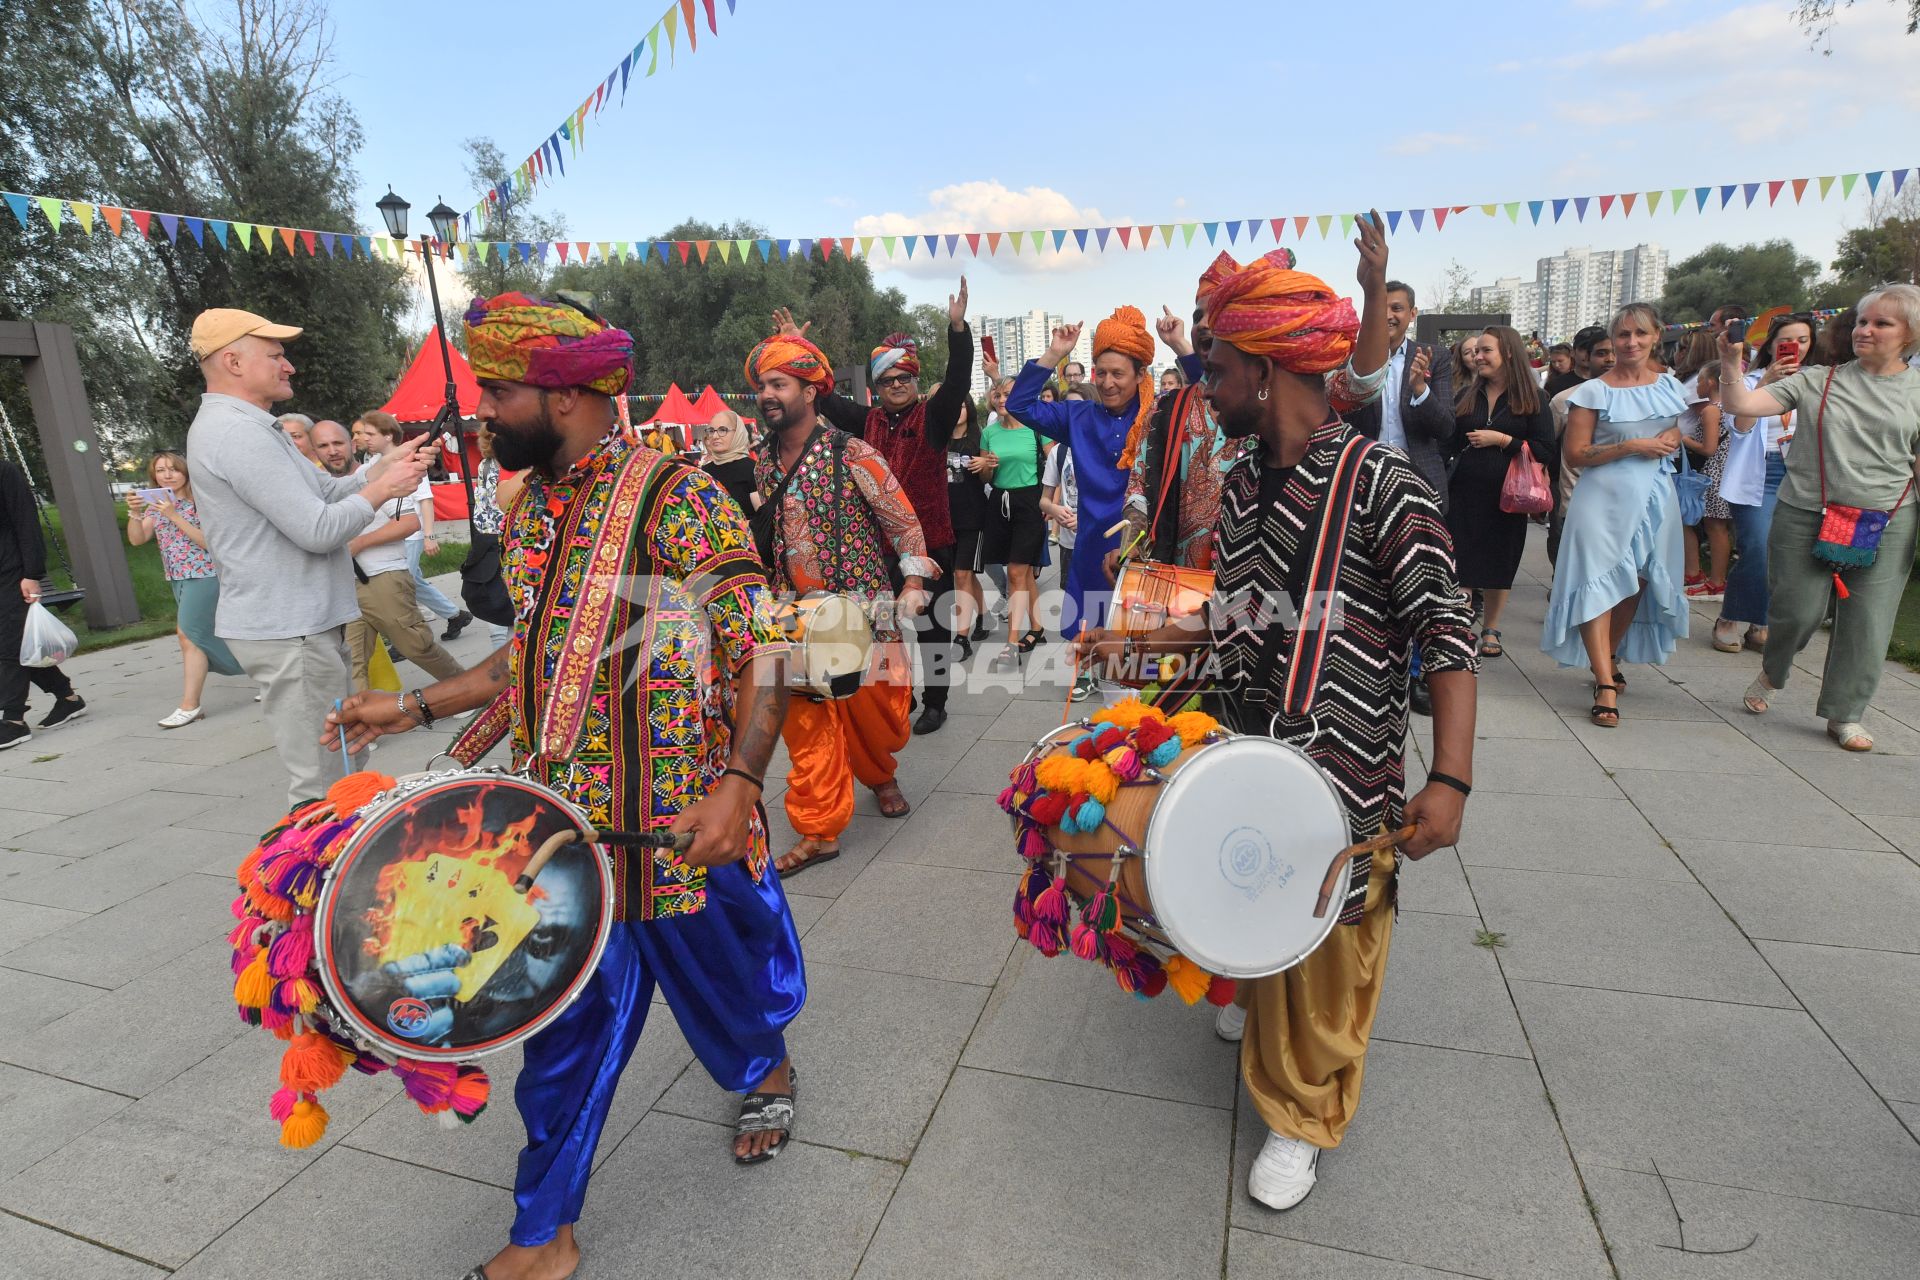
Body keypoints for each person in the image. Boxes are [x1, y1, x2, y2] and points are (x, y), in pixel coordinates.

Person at [327, 291, 800, 1280]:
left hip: (682, 828)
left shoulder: (679, 493)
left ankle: (766, 1066)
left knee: (731, 979)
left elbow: (770, 645)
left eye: (499, 392)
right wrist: (410, 713)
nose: (483, 413)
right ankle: (546, 1234)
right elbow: (531, 660)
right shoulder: (536, 507)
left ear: (574, 394)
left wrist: (742, 784)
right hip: (564, 839)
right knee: (566, 1039)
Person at [1075, 249, 1477, 1213]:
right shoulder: (1249, 480)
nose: (1203, 389)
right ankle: (1261, 998)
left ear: (1266, 368)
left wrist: (1452, 782)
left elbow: (1449, 636)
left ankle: (1303, 1117)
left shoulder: (1384, 485)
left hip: (1348, 777)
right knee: (1248, 889)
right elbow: (1237, 614)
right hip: (1255, 752)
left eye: (1214, 369)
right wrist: (1133, 641)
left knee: (1333, 939)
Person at [185, 307, 432, 805]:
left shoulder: (254, 426)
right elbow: (318, 529)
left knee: (343, 762)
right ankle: (318, 876)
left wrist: (381, 468)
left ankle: (340, 868)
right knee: (325, 785)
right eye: (275, 355)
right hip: (290, 629)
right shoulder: (237, 433)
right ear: (232, 361)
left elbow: (325, 489)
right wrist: (384, 489)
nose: (288, 365)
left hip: (301, 624)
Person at [744, 329, 933, 874]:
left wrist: (915, 584)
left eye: (779, 383)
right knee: (808, 725)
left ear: (810, 391)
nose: (767, 394)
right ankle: (818, 827)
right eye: (762, 385)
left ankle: (879, 772)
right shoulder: (762, 461)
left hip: (867, 612)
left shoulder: (853, 452)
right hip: (795, 618)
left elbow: (904, 524)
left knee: (883, 718)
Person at [1718, 284, 1920, 752]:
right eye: (1863, 321)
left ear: (1908, 335)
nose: (1866, 330)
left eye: (1881, 323)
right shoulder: (1816, 380)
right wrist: (1732, 362)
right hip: (1807, 510)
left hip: (1889, 519)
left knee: (1868, 622)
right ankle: (1774, 668)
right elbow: (1741, 406)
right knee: (1797, 612)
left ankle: (1845, 714)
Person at [794, 280, 973, 735]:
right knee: (883, 626)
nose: (896, 386)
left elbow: (957, 381)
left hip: (931, 543)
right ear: (877, 386)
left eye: (904, 379)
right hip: (879, 548)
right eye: (888, 381)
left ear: (914, 381)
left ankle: (936, 702)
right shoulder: (866, 421)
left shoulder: (932, 416)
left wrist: (957, 329)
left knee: (932, 628)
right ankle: (900, 692)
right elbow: (826, 397)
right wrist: (799, 347)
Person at [1541, 303, 1691, 727]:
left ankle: (1607, 654)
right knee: (1595, 581)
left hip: (1656, 495)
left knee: (1636, 582)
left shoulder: (1669, 384)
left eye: (1640, 334)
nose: (1631, 343)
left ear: (1655, 336)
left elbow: (1679, 428)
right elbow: (1575, 453)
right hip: (1601, 499)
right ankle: (1605, 681)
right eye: (1623, 336)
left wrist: (1671, 436)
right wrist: (1632, 446)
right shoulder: (1593, 392)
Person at [318, 425, 465, 694]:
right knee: (352, 662)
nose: (332, 451)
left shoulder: (372, 478)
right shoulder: (317, 489)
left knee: (416, 647)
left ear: (353, 445)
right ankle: (361, 725)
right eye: (323, 446)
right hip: (343, 586)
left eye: (337, 443)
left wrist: (360, 543)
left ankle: (465, 690)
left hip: (383, 578)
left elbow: (409, 523)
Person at [1712, 313, 1818, 654]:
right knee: (1757, 545)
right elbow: (1740, 426)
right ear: (1771, 344)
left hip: (1802, 474)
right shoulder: (1748, 379)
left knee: (1788, 552)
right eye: (1788, 340)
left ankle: (1762, 620)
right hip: (1762, 471)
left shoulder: (1817, 381)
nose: (1795, 347)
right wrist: (1765, 383)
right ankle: (1731, 617)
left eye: (1803, 340)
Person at [1449, 327, 1556, 656]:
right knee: (1461, 560)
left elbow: (1545, 449)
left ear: (1508, 353)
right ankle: (1461, 624)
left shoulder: (1532, 398)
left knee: (1499, 562)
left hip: (1509, 496)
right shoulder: (1466, 395)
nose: (1478, 357)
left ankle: (1491, 628)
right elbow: (1449, 441)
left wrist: (1504, 441)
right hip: (1464, 491)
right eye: (1476, 351)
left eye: (1486, 351)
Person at [125, 450, 243, 727]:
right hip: (178, 578)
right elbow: (138, 539)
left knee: (188, 634)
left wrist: (174, 515)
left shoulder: (199, 502)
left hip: (205, 574)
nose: (167, 474)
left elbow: (209, 543)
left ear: (185, 473)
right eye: (161, 470)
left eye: (173, 469)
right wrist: (135, 512)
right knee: (205, 635)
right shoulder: (157, 505)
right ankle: (263, 670)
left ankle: (190, 705)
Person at [352, 411, 473, 642]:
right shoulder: (373, 464)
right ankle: (454, 614)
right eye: (361, 433)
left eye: (370, 433)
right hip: (390, 534)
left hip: (409, 534)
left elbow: (425, 500)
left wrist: (429, 536)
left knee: (402, 587)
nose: (364, 438)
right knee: (412, 581)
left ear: (388, 436)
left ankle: (407, 637)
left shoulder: (410, 461)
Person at [1345, 280, 1456, 509]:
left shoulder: (1435, 357)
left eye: (1396, 308)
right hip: (1366, 479)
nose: (1387, 316)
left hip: (1421, 479)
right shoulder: (1353, 361)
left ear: (1412, 313)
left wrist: (1420, 390)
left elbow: (1446, 428)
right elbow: (1345, 422)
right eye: (1380, 308)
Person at [0, 458, 85, 748]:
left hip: (11, 573)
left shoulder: (3, 471)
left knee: (8, 645)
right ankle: (68, 697)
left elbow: (25, 523)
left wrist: (31, 574)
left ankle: (13, 720)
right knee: (18, 643)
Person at [978, 372, 1048, 663]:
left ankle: (1010, 643)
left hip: (1030, 502)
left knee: (1018, 572)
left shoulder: (1036, 428)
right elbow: (985, 475)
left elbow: (1055, 465)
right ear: (992, 401)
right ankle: (1037, 626)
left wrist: (1051, 503)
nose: (1003, 399)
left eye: (1009, 394)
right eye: (999, 395)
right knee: (1022, 569)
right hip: (999, 502)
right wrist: (988, 465)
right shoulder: (989, 433)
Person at [1547, 326, 1616, 566]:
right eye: (1602, 353)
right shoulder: (1564, 397)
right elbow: (1547, 443)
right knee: (1574, 568)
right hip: (1576, 499)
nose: (1610, 359)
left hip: (1625, 502)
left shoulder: (1646, 396)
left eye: (1614, 352)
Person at [1670, 330, 1728, 598]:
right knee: (1710, 524)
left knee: (1712, 525)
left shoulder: (1711, 410)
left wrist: (1684, 439)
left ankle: (1715, 579)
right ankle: (1710, 576)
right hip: (1717, 469)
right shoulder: (1722, 407)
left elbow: (1709, 447)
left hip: (1713, 469)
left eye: (1702, 381)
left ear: (1711, 382)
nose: (1698, 386)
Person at [944, 397, 992, 660]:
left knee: (962, 575)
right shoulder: (940, 438)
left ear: (969, 409)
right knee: (966, 576)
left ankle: (961, 637)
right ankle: (984, 616)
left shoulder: (978, 437)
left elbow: (988, 478)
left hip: (974, 516)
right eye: (955, 405)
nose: (958, 410)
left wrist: (985, 466)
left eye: (963, 405)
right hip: (947, 518)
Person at [699, 408, 759, 515]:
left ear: (737, 433)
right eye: (711, 431)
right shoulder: (704, 472)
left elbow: (763, 519)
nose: (715, 436)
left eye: (722, 430)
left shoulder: (753, 470)